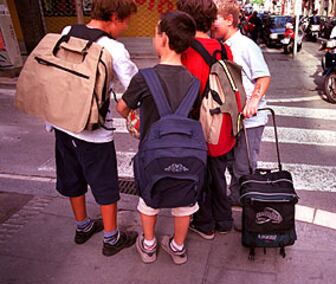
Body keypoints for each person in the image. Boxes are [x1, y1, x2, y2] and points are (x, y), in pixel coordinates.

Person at [50, 0, 139, 256]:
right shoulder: (114, 48)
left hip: (62, 121)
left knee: (71, 175)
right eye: (125, 22)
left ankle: (83, 226)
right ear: (113, 17)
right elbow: (134, 86)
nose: (125, 27)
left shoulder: (67, 31)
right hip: (92, 129)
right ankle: (111, 239)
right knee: (104, 181)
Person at [116, 11, 198, 265]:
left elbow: (122, 107)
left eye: (155, 33)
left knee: (149, 198)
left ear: (163, 39)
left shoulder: (144, 77)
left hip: (153, 151)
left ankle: (149, 245)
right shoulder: (194, 81)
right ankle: (178, 247)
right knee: (185, 202)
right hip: (186, 151)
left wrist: (133, 116)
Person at [178, 0, 240, 239]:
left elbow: (186, 91)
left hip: (199, 125)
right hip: (222, 122)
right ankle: (224, 220)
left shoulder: (186, 49)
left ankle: (205, 223)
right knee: (218, 173)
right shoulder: (224, 48)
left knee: (200, 175)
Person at [212, 0, 271, 206]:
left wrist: (253, 101)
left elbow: (263, 77)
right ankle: (235, 199)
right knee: (230, 163)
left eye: (215, 19)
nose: (211, 25)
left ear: (229, 20)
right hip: (232, 117)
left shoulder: (246, 46)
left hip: (250, 120)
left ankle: (245, 208)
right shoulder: (221, 46)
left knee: (244, 167)